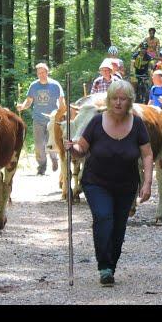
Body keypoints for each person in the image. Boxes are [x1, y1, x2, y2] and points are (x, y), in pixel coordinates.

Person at [64, 80, 153, 286]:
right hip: (96, 182)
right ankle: (104, 267)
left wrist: (147, 182)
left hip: (126, 185)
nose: (118, 103)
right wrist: (72, 148)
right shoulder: (96, 122)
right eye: (115, 98)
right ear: (109, 100)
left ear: (129, 101)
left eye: (123, 99)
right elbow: (81, 150)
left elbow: (147, 155)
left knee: (119, 226)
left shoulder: (137, 124)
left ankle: (111, 265)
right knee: (104, 218)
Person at [17, 63, 66, 175]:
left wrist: (62, 113)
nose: (41, 75)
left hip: (52, 119)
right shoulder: (34, 86)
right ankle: (42, 166)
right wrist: (22, 106)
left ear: (47, 72)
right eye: (39, 73)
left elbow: (62, 101)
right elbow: (29, 101)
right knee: (39, 144)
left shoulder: (55, 85)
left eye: (43, 72)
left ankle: (54, 159)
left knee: (52, 142)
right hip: (38, 119)